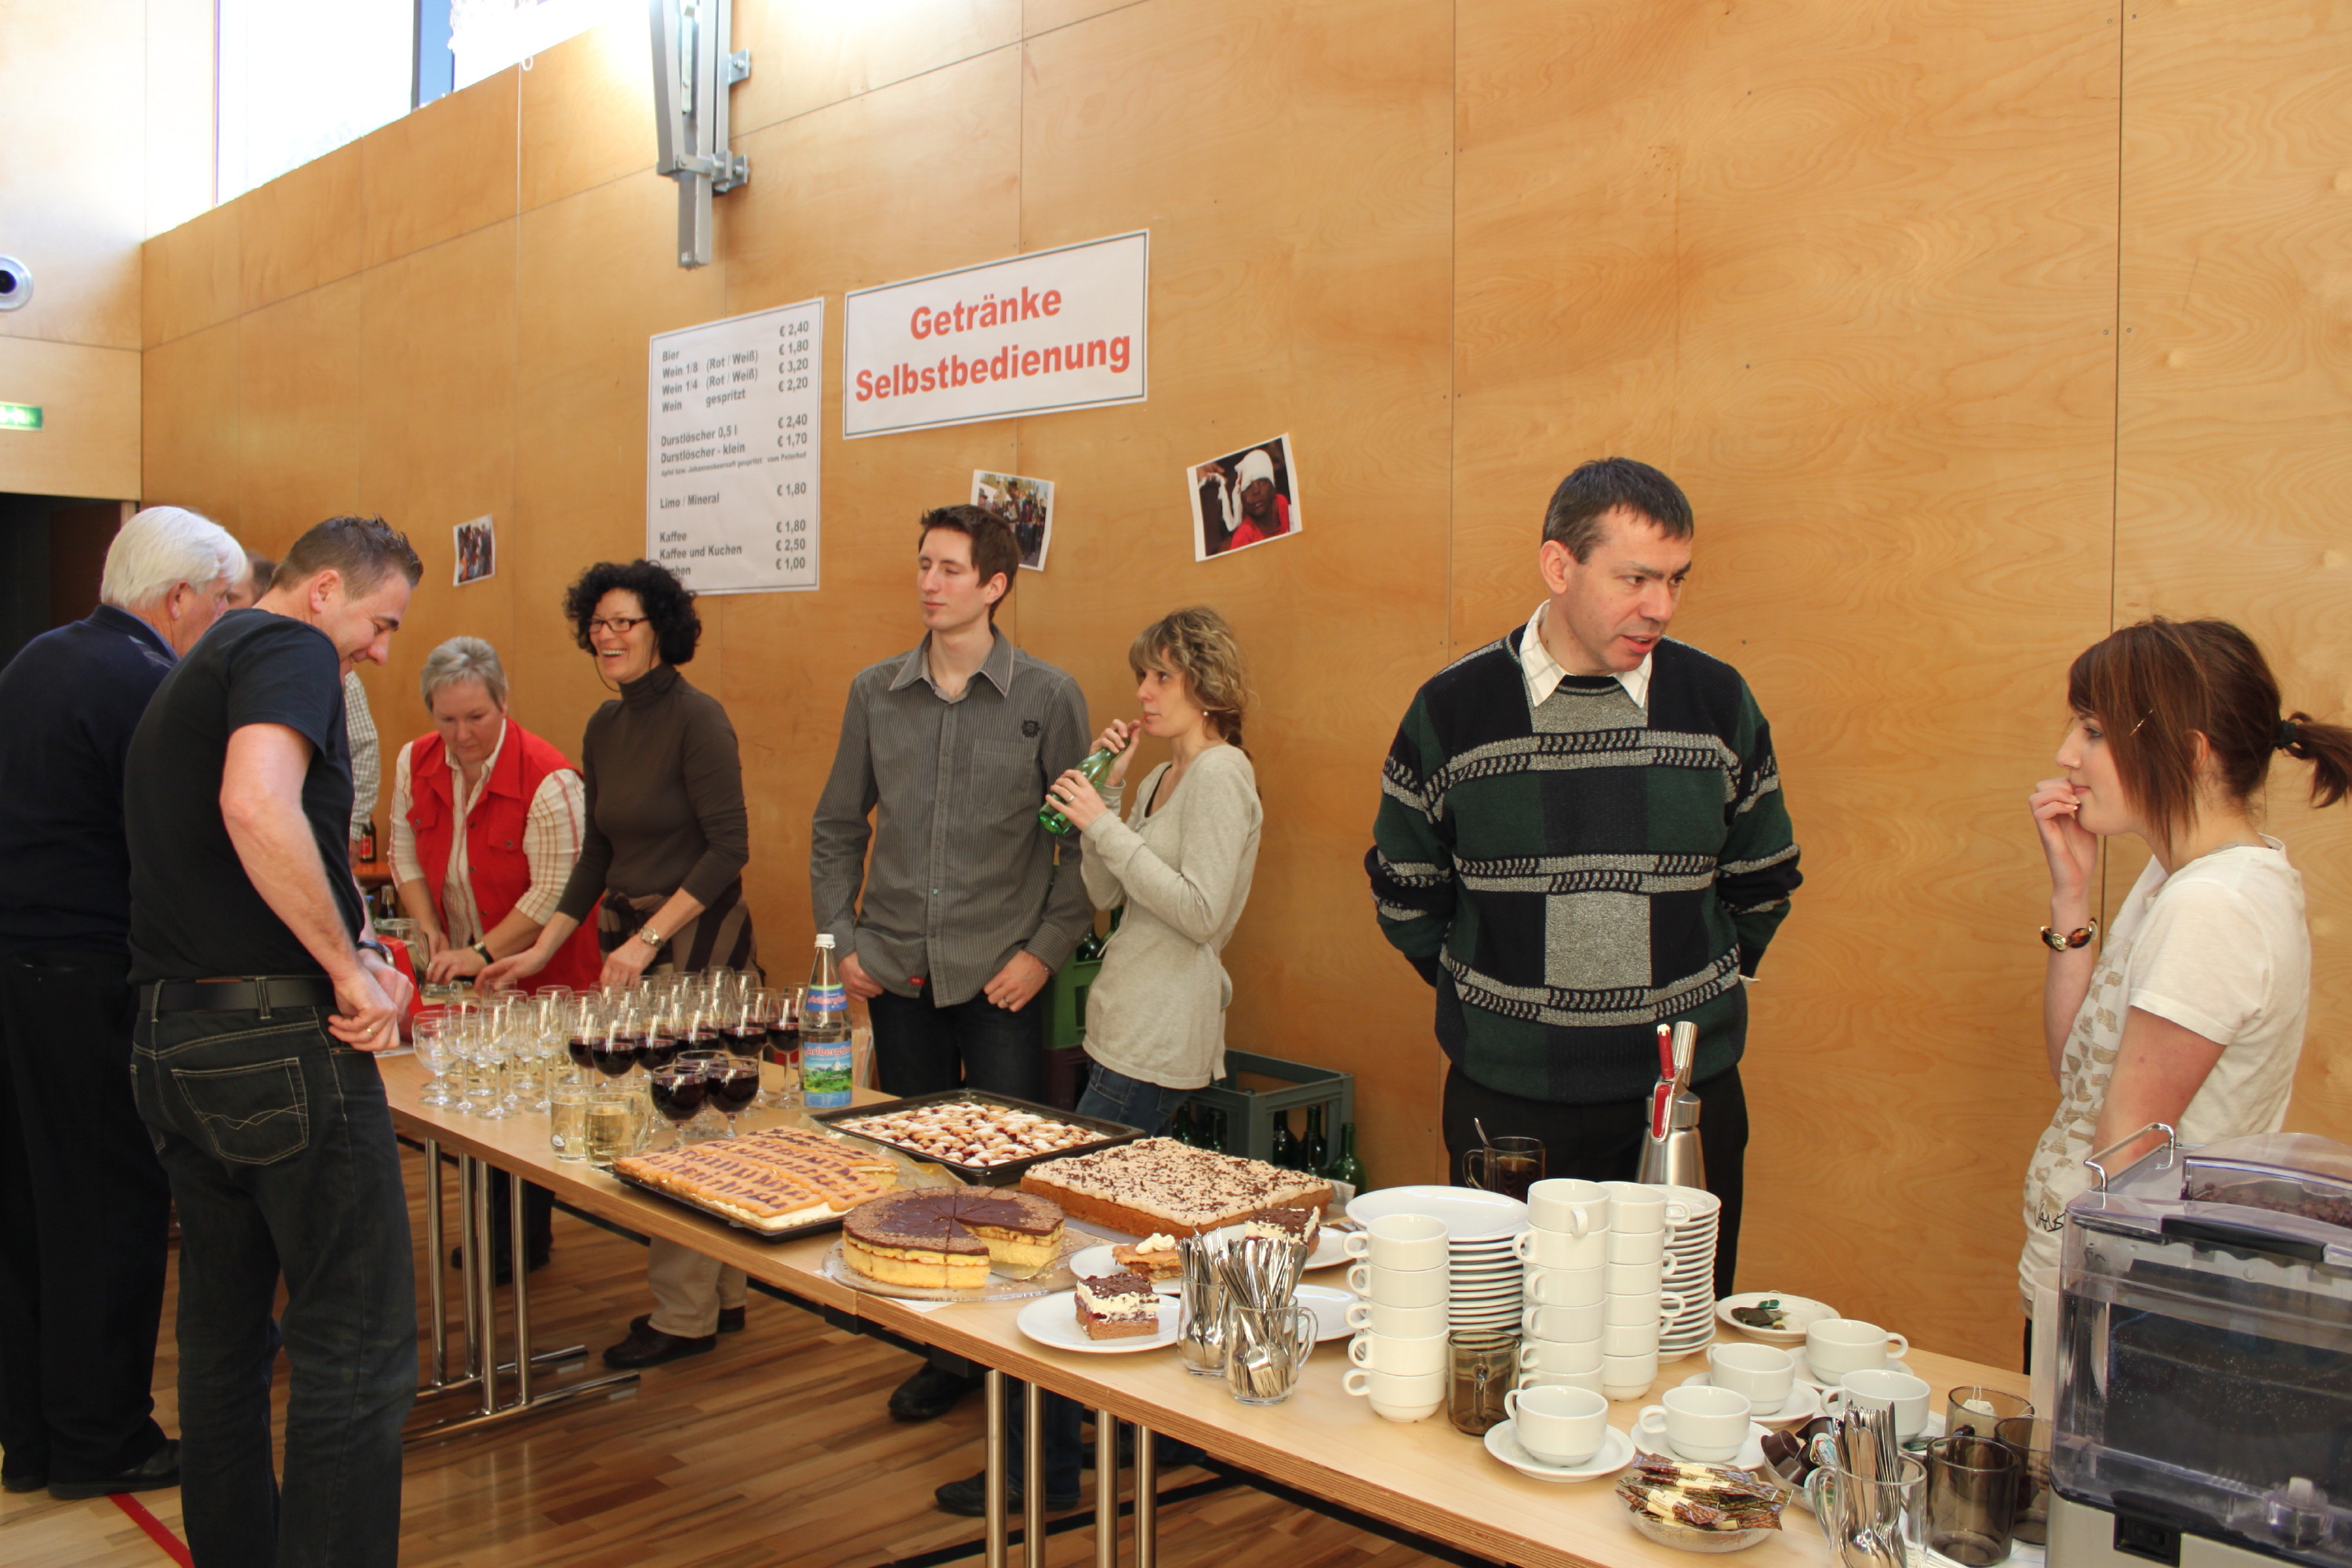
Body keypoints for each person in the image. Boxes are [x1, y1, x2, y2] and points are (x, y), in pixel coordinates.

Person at [1367, 458, 1800, 1295]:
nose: (1661, 606)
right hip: (1510, 1104)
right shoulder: (1453, 710)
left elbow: (1763, 878)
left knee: (1677, 1335)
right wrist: (1501, 997)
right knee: (1506, 1331)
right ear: (1559, 566)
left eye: (1676, 579)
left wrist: (1691, 996)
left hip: (1683, 1103)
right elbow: (1406, 892)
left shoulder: (1718, 700)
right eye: (1635, 579)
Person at [125, 515, 422, 1568]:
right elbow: (256, 805)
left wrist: (363, 943)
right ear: (325, 589)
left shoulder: (198, 665)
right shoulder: (288, 644)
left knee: (222, 1342)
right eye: (381, 623)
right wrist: (346, 972)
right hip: (275, 1040)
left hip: (175, 1034)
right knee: (356, 1344)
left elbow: (272, 851)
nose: (379, 650)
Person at [935, 607, 1261, 1516]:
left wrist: (1105, 826)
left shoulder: (1223, 774)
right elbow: (1105, 892)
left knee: (1063, 1244)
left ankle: (1041, 1469)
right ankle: (1110, 1434)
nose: (1143, 693)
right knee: (1100, 1249)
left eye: (1160, 676)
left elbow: (1202, 913)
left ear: (1205, 682)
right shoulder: (1160, 775)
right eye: (1142, 676)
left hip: (1160, 1038)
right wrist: (1105, 799)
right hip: (1124, 1025)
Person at [811, 504, 1091, 1424]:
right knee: (920, 1172)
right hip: (896, 967)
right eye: (924, 564)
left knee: (1006, 1180)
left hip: (1002, 974)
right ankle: (944, 1352)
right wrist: (842, 939)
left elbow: (1082, 844)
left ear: (995, 584)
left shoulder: (1048, 696)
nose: (930, 583)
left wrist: (1044, 954)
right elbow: (837, 826)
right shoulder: (875, 692)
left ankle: (1013, 1360)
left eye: (951, 568)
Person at [0, 506, 242, 1500]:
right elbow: (182, 849)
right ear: (178, 596)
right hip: (87, 975)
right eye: (224, 601)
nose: (226, 622)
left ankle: (35, 1435)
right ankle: (103, 1438)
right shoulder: (149, 683)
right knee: (111, 1208)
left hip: (17, 968)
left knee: (32, 1207)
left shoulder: (40, 658)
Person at [2020, 618, 2352, 1317]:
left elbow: (2128, 1144)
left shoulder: (2213, 905)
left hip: (2133, 1300)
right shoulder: (2177, 879)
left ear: (2192, 753)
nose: (2066, 754)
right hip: (2097, 1280)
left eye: (2094, 731)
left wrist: (2088, 1318)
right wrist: (2071, 898)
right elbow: (2081, 1079)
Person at [481, 561, 753, 1368]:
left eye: (623, 622)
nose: (607, 636)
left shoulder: (698, 718)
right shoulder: (604, 725)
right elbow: (597, 852)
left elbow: (729, 848)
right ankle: (721, 1297)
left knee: (682, 1127)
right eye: (597, 623)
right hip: (630, 942)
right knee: (690, 1125)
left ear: (661, 628)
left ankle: (683, 1315)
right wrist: (538, 947)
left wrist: (647, 940)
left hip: (695, 947)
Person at [390, 636, 599, 1280]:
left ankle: (521, 1242)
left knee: (529, 1108)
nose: (462, 735)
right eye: (447, 719)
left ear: (504, 702)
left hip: (543, 971)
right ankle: (497, 1236)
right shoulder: (414, 761)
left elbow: (554, 891)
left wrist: (480, 952)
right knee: (480, 1102)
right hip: (464, 966)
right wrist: (429, 931)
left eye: (476, 717)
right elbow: (403, 853)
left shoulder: (550, 777)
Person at [1222, 448, 1290, 552]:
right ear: (1241, 498)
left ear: (1273, 488)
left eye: (1262, 482)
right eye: (1248, 487)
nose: (1256, 491)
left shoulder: (1281, 504)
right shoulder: (1244, 536)